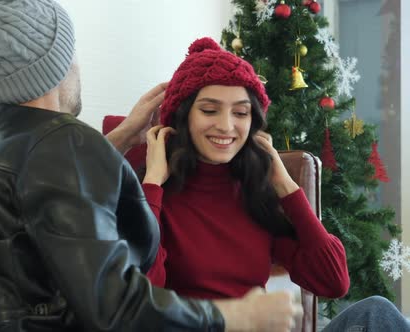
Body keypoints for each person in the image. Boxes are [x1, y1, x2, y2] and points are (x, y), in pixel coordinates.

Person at [0, 0, 305, 331]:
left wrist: (124, 135)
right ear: (54, 65)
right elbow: (113, 307)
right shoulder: (65, 142)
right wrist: (237, 318)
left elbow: (49, 191)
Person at [141, 36, 410, 331]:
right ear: (182, 116)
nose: (226, 125)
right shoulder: (153, 197)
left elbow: (333, 281)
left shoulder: (255, 194)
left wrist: (284, 184)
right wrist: (152, 184)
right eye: (209, 110)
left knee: (376, 313)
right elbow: (141, 301)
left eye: (240, 112)